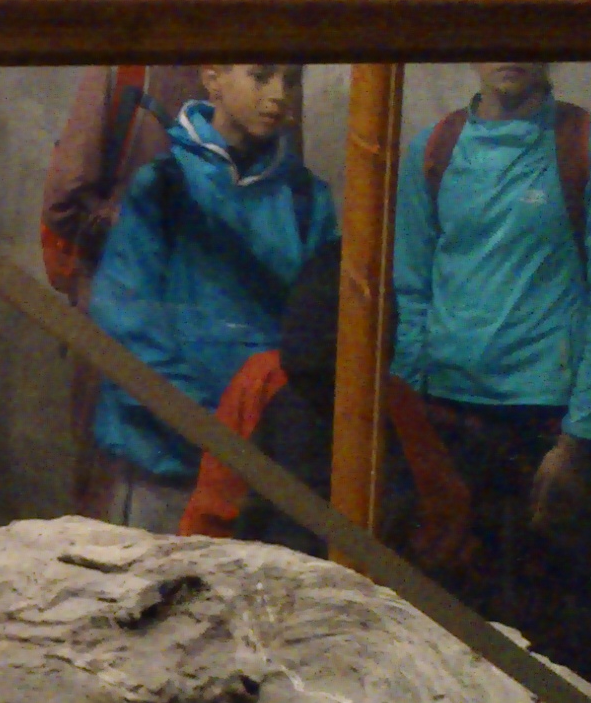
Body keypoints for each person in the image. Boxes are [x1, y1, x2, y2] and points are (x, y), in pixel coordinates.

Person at [390, 0, 591, 679]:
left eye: (532, 22)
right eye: (494, 21)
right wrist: (410, 428)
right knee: (440, 626)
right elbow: (410, 289)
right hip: (448, 421)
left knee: (543, 631)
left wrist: (579, 440)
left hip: (542, 427)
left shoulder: (588, 147)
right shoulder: (434, 151)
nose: (511, 42)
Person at [42, 0, 253, 513]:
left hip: (220, 331)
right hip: (130, 327)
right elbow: (66, 200)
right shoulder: (129, 62)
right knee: (119, 510)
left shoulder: (257, 61)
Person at [87, 62, 337, 534]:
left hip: (261, 469)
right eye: (261, 76)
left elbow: (320, 334)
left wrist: (262, 427)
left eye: (291, 80)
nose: (279, 94)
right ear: (213, 78)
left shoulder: (307, 201)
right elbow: (125, 322)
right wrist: (209, 421)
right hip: (165, 461)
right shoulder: (163, 185)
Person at [176, 241, 481, 582]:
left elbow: (211, 513)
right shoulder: (266, 382)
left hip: (332, 588)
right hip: (285, 586)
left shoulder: (388, 399)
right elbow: (443, 516)